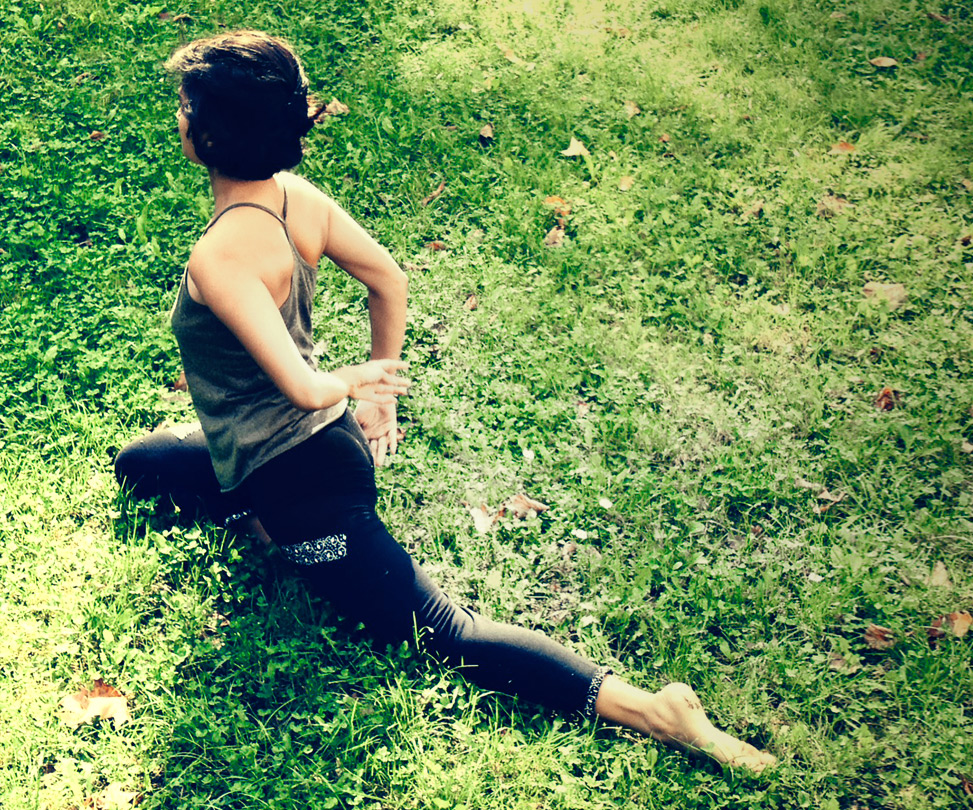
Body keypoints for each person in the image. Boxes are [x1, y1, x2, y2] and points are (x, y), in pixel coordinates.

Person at [114, 30, 773, 772]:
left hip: (300, 476)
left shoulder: (221, 255)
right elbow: (387, 278)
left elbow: (302, 387)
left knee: (441, 632)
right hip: (313, 444)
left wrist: (364, 386)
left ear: (202, 134)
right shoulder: (294, 199)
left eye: (184, 105)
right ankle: (266, 523)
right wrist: (374, 401)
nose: (179, 116)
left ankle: (650, 710)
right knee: (142, 464)